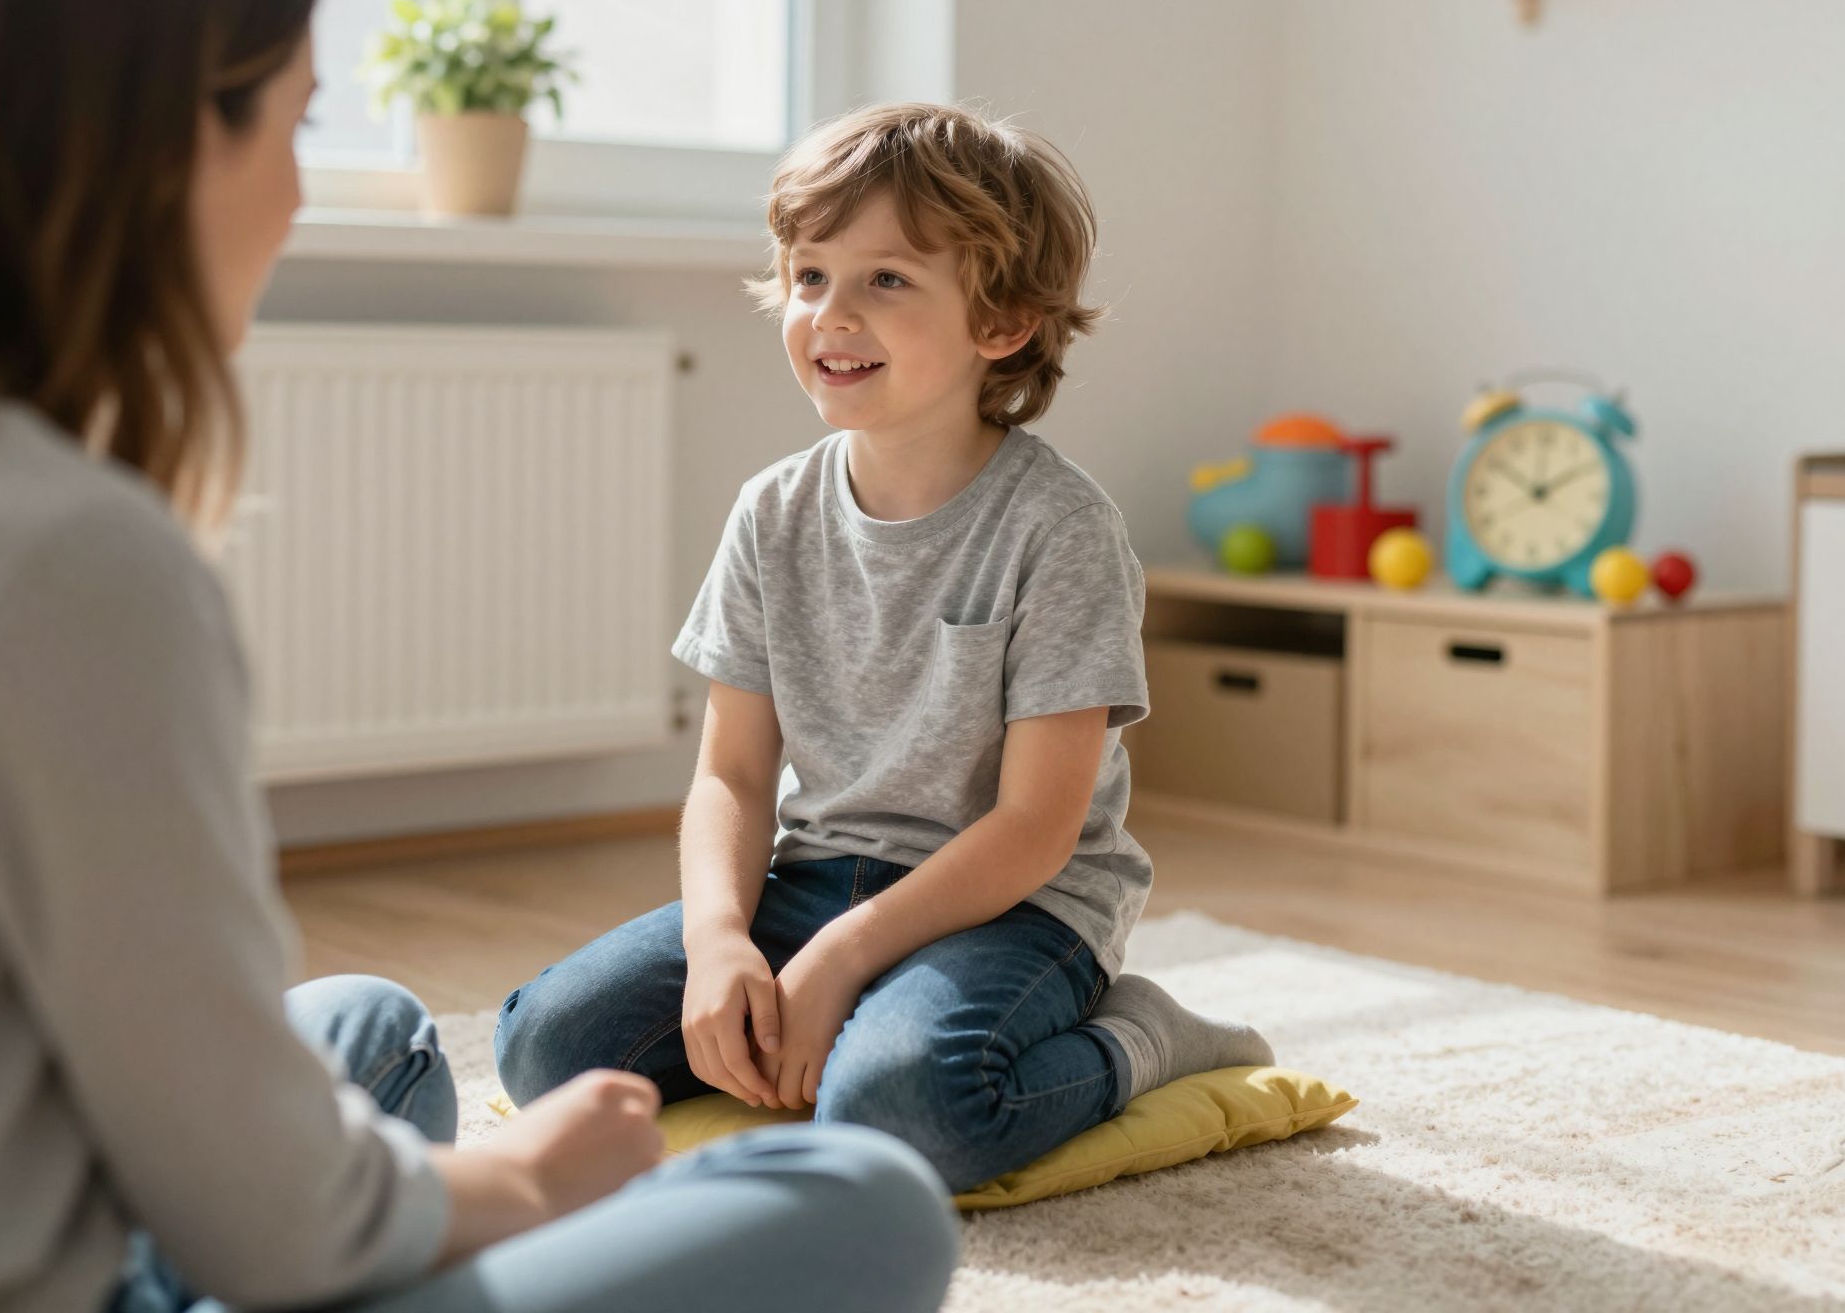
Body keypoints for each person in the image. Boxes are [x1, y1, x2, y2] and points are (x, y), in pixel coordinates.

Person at [0, 0, 956, 1313]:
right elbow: (277, 1226)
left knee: (369, 1029)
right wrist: (529, 1180)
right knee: (862, 1198)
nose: (301, 193)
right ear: (172, 131)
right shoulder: (62, 559)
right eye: (297, 122)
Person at [495, 101, 1273, 1193]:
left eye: (885, 281)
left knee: (898, 1113)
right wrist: (722, 938)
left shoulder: (1061, 530)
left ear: (999, 323)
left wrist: (842, 958)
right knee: (545, 1050)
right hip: (815, 877)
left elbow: (1035, 828)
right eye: (809, 276)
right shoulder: (770, 512)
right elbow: (731, 771)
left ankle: (1136, 1038)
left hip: (1017, 907)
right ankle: (846, 1007)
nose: (830, 315)